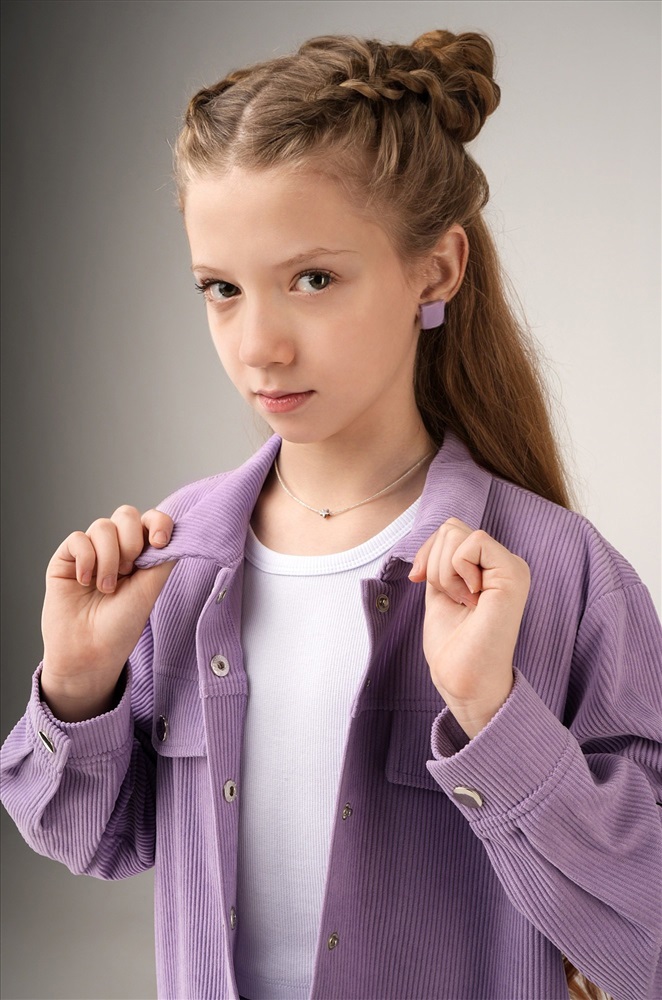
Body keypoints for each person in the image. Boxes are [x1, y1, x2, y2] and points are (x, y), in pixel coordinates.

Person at [1, 28, 660, 1000]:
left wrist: (493, 717)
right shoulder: (175, 561)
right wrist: (76, 689)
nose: (258, 345)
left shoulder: (559, 572)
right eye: (221, 290)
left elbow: (647, 935)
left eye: (312, 279)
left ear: (436, 270)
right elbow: (86, 840)